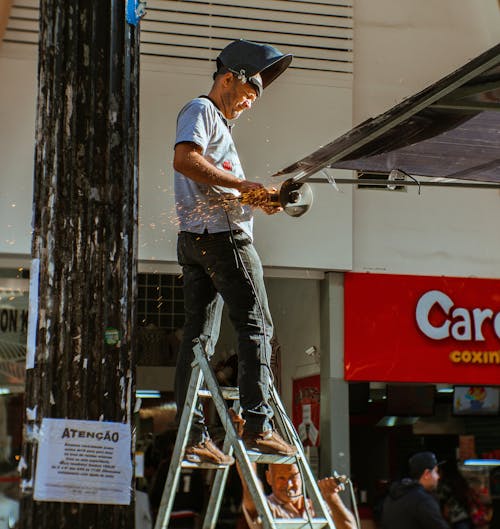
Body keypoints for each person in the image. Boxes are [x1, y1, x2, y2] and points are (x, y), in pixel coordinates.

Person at [172, 39, 295, 465]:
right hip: (223, 240)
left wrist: (259, 198)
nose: (247, 104)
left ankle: (192, 437)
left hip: (197, 238)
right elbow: (186, 160)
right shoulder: (202, 110)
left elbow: (215, 184)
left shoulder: (221, 127)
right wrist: (244, 188)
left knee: (199, 338)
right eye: (246, 94)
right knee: (257, 324)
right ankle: (259, 425)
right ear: (228, 78)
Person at [238, 462, 358, 529]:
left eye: (293, 477)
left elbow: (349, 527)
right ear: (269, 478)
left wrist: (331, 497)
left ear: (302, 477)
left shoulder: (317, 506)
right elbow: (251, 490)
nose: (289, 484)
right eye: (281, 478)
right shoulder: (268, 507)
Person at [381, 451, 450, 529]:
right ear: (426, 474)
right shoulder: (423, 501)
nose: (438, 477)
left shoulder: (391, 497)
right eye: (436, 472)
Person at [437, 459, 473, 529]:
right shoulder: (460, 481)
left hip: (453, 517)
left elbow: (442, 500)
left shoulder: (444, 485)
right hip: (465, 516)